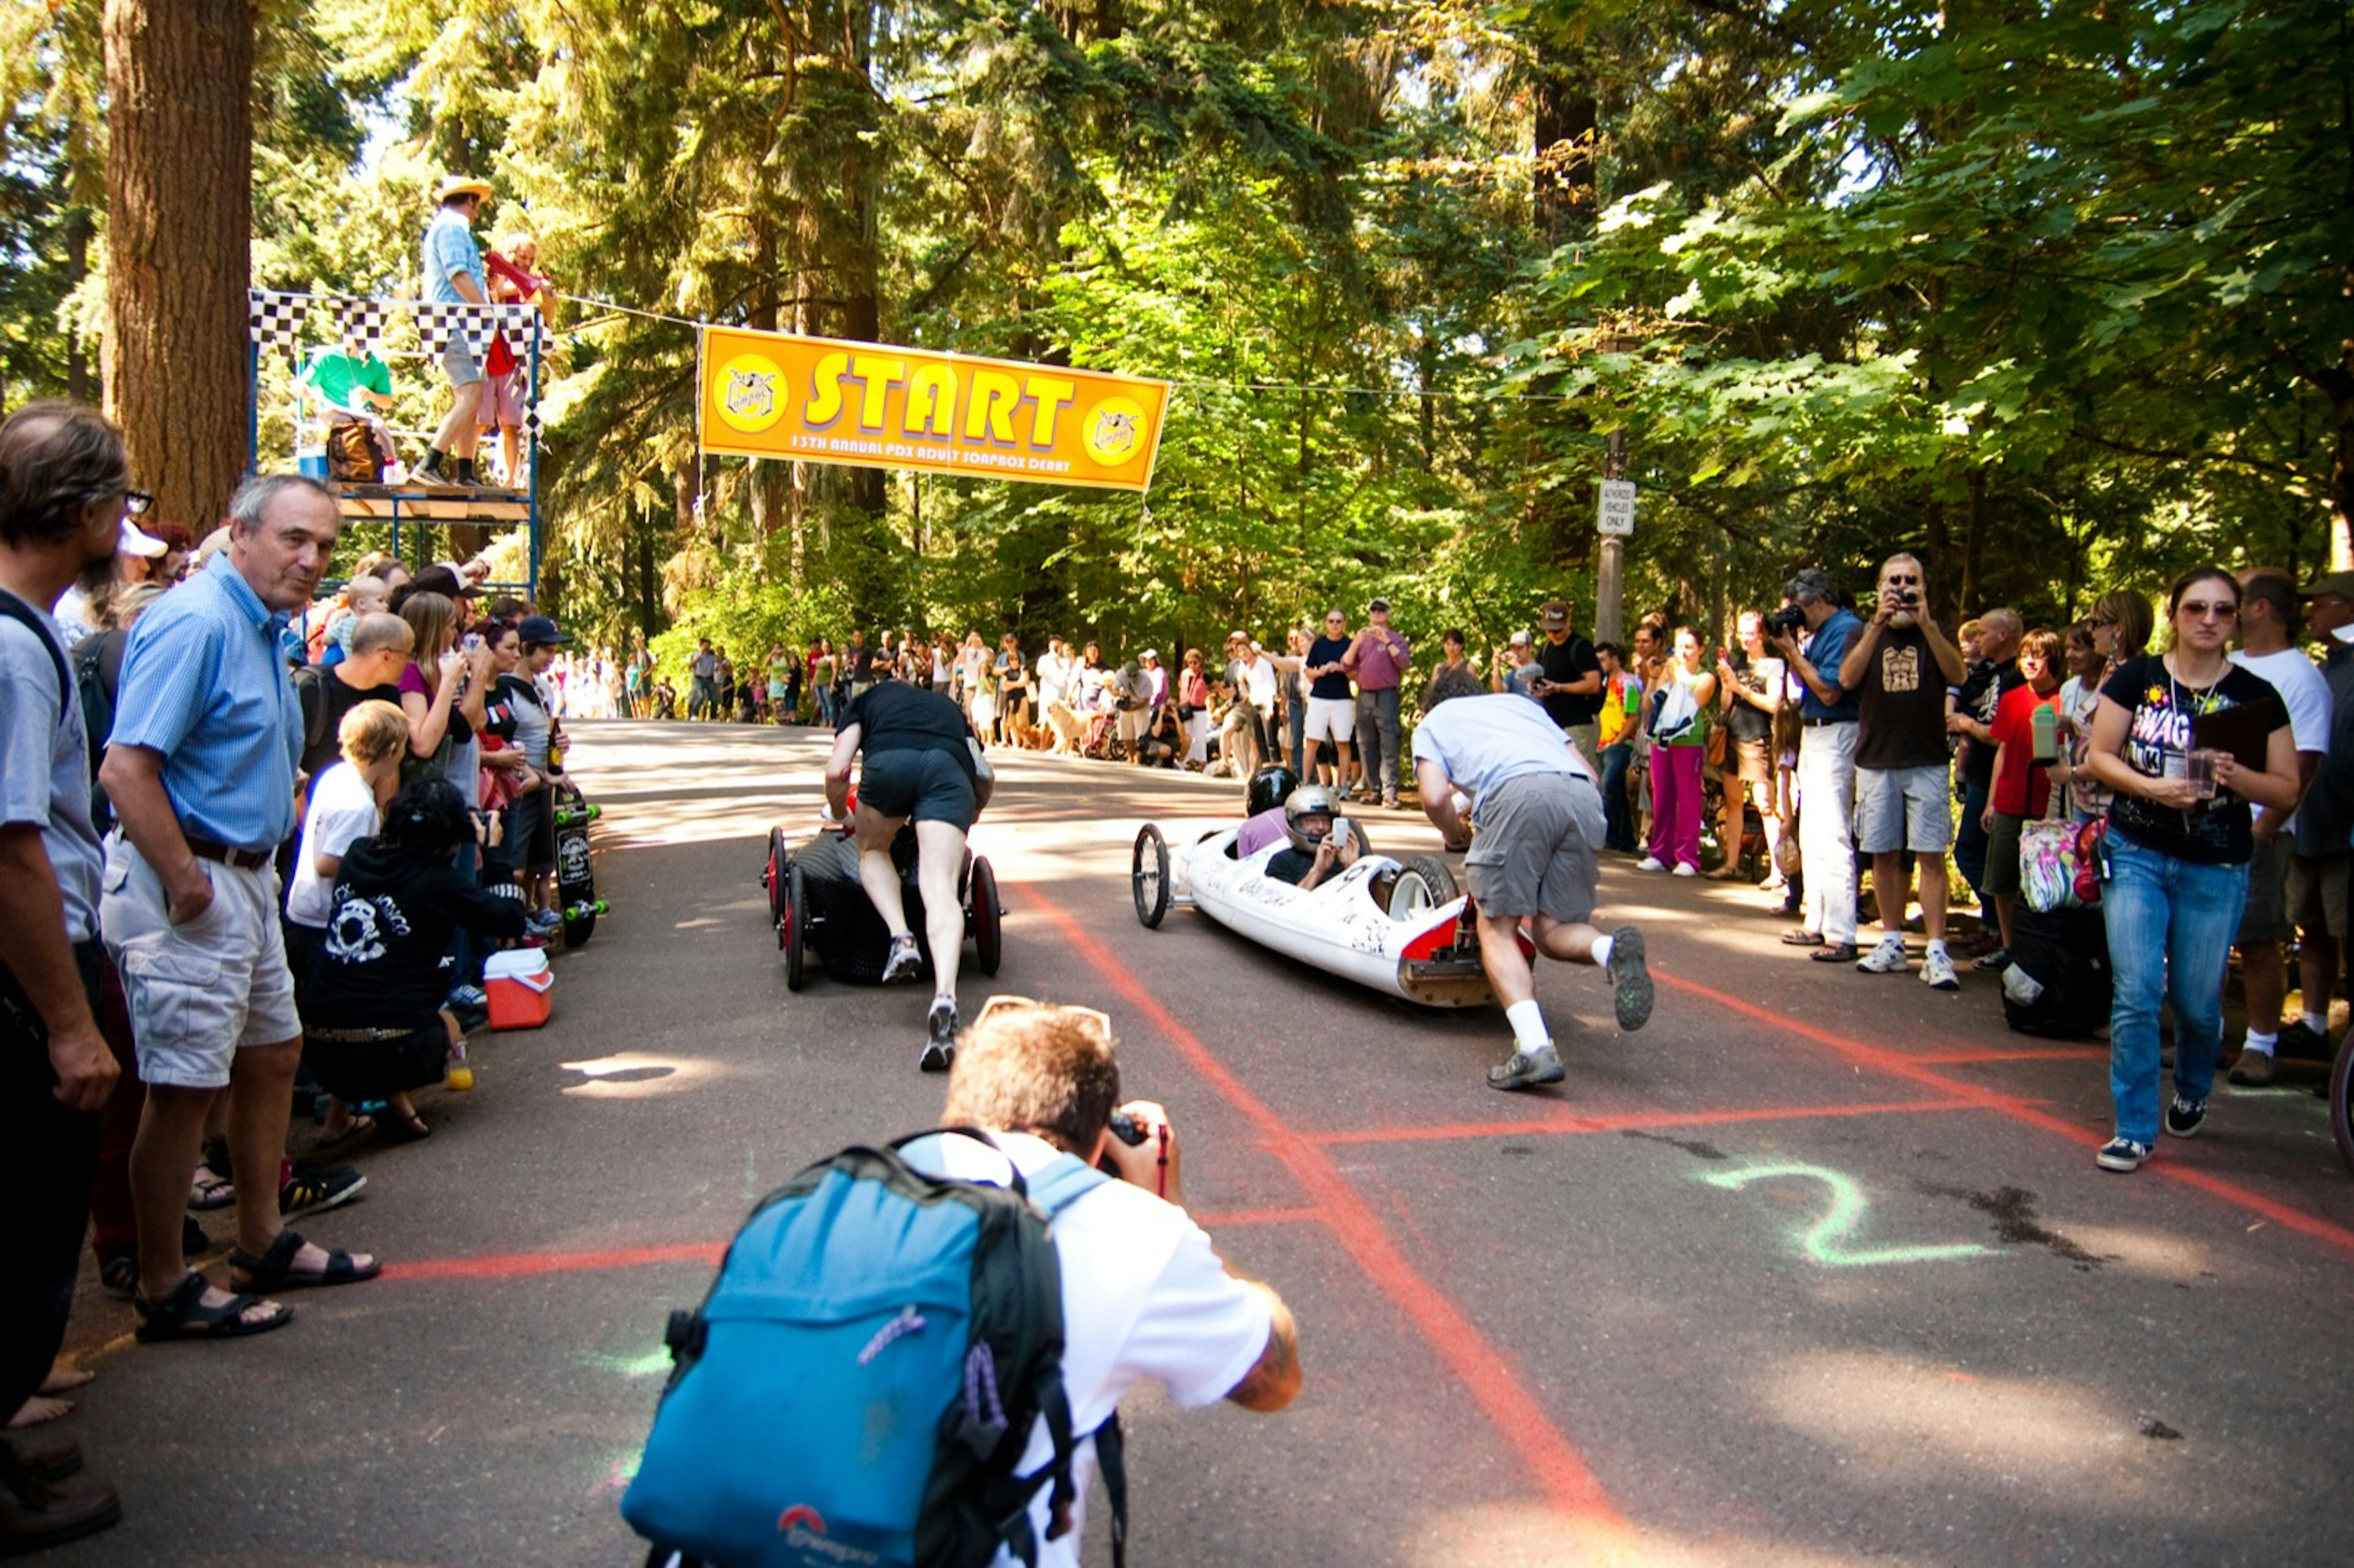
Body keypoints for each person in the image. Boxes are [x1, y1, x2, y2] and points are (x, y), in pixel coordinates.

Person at [97, 474, 380, 1340]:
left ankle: (260, 1238)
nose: (310, 559)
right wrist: (187, 881)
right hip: (192, 883)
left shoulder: (257, 623)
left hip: (245, 879)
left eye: (324, 546)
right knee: (184, 1086)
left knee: (272, 1054)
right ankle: (163, 1281)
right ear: (242, 533)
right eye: (295, 539)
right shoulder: (196, 621)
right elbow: (125, 767)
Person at [895, 997, 1300, 1567]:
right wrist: (1167, 1204)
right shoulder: (1133, 1233)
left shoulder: (844, 1195)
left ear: (956, 1112)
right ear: (1097, 1138)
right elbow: (1272, 1378)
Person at [0, 402, 128, 1550]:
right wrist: (65, 1019)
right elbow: (10, 843)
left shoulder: (25, 633)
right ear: (84, 509)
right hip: (30, 975)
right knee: (23, 1231)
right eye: (119, 500)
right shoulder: (10, 646)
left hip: (46, 955)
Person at [2081, 567, 2299, 1171]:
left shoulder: (2255, 695)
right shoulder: (2138, 677)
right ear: (2174, 614)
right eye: (2196, 607)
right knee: (2137, 990)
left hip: (2216, 862)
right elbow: (2100, 755)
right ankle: (2133, 1127)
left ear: (2237, 619)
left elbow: (2285, 788)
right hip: (2137, 850)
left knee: (2199, 1003)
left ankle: (2194, 1086)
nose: (2208, 619)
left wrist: (2232, 775)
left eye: (2223, 610)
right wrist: (2153, 788)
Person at [1412, 690, 1653, 1089]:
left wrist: (1454, 835)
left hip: (1517, 797)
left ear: (1431, 703)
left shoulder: (1433, 723)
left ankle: (1534, 1047)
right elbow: (1592, 775)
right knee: (1552, 930)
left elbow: (1435, 796)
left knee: (1497, 927)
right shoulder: (1522, 707)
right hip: (1581, 797)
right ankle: (1612, 951)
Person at [306, 779, 530, 1138]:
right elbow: (510, 917)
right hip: (393, 1048)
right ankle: (397, 1099)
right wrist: (494, 854)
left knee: (363, 990)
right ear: (451, 837)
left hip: (318, 1047)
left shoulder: (357, 857)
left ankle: (340, 1117)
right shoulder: (438, 882)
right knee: (446, 1021)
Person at [825, 677, 993, 1069]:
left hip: (890, 768)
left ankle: (901, 938)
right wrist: (971, 811)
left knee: (872, 851)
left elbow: (837, 772)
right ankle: (945, 997)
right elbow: (984, 775)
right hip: (948, 773)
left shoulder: (865, 701)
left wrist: (837, 813)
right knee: (941, 888)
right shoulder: (948, 708)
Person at [2222, 568, 2333, 1084]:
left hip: (2257, 830)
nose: (2223, 611)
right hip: (2207, 823)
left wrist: (2265, 827)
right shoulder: (2227, 665)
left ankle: (2261, 1046)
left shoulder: (2299, 676)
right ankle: (2209, 1036)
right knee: (2204, 937)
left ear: (2261, 608)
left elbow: (2306, 763)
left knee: (2259, 939)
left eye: (2233, 601)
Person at [1839, 554, 1968, 988]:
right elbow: (1846, 679)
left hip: (1927, 759)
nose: (1902, 588)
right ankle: (1891, 940)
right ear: (1879, 586)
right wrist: (1878, 624)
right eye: (1893, 581)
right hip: (1877, 758)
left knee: (1931, 854)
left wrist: (1927, 623)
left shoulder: (1939, 632)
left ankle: (1935, 949)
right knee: (1884, 852)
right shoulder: (1863, 632)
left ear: (1924, 587)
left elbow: (1959, 674)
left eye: (1911, 581)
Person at [283, 701, 409, 1142]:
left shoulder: (335, 777)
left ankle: (341, 1110)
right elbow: (328, 862)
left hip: (305, 912)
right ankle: (338, 1101)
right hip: (323, 920)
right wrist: (381, 863)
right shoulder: (357, 803)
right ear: (391, 747)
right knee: (345, 1016)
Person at [2278, 571, 2354, 1072]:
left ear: (2347, 607)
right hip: (2310, 823)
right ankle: (2313, 1026)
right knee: (2313, 929)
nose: (2309, 613)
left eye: (2319, 604)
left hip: (2346, 829)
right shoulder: (2326, 668)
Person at [1769, 570, 1865, 961]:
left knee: (1833, 834)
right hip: (1816, 732)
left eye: (1798, 608)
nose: (1795, 616)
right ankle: (1817, 919)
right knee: (1812, 834)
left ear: (1819, 601)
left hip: (1837, 729)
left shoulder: (1845, 629)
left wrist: (1793, 653)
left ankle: (1843, 933)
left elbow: (1828, 690)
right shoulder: (1823, 633)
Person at [1976, 629, 2065, 967]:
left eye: (2039, 655)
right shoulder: (2012, 699)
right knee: (2002, 879)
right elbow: (2002, 750)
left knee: (2045, 882)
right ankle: (2011, 947)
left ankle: (2040, 951)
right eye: (2026, 654)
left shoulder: (2064, 699)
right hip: (2010, 799)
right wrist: (1991, 802)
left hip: (2048, 805)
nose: (2030, 661)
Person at [1944, 608, 2024, 935]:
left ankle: (1999, 926)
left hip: (1998, 775)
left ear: (2003, 635)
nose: (1977, 640)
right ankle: (1994, 927)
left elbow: (2000, 733)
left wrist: (1967, 725)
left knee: (1970, 851)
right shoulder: (1988, 673)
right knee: (1974, 852)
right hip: (1978, 771)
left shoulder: (2016, 676)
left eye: (1984, 633)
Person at [414, 177, 496, 487]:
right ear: (471, 201)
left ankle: (465, 472)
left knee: (469, 396)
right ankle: (429, 462)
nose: (478, 213)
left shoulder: (452, 229)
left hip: (463, 323)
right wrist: (485, 309)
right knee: (472, 394)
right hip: (455, 322)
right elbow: (457, 274)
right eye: (478, 205)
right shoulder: (450, 229)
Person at [295, 612, 413, 779]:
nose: (410, 663)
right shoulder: (310, 687)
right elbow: (289, 762)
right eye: (409, 654)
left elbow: (389, 769)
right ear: (386, 656)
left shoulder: (388, 694)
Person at [1637, 628, 1716, 877]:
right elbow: (1648, 705)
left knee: (1688, 798)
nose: (1683, 652)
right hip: (1662, 742)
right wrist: (1653, 677)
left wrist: (1674, 677)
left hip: (1688, 742)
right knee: (1662, 796)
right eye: (1679, 646)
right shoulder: (1668, 673)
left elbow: (1690, 706)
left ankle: (1688, 857)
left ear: (1701, 650)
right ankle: (1660, 852)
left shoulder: (1705, 678)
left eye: (1689, 647)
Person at [1713, 611, 1785, 881]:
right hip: (1732, 735)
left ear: (1762, 635)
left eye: (1750, 634)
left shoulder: (1774, 666)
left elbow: (1773, 704)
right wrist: (1727, 685)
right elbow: (1725, 705)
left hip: (1757, 738)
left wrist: (1741, 689)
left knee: (1765, 804)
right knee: (1733, 802)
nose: (1745, 639)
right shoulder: (1737, 665)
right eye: (1741, 634)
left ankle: (1778, 871)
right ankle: (1732, 864)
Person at [1346, 597, 1411, 809]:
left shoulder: (1396, 638)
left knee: (1389, 741)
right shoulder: (1362, 639)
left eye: (1381, 611)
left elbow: (1404, 662)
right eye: (1374, 611)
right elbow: (1346, 664)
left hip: (1386, 695)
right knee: (1366, 743)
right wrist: (1356, 642)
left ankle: (1390, 792)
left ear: (1388, 614)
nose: (1377, 614)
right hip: (1364, 694)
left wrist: (1387, 642)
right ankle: (1374, 789)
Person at [1532, 598, 1604, 759]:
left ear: (1568, 622)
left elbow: (1593, 684)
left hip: (1577, 722)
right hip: (1552, 721)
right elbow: (1539, 676)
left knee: (1581, 768)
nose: (1553, 635)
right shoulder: (1545, 648)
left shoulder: (1581, 647)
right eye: (1549, 630)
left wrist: (1559, 687)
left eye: (1557, 630)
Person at [1593, 641, 1643, 853]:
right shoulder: (1603, 684)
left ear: (1615, 659)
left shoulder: (1627, 683)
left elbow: (1633, 717)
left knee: (1610, 783)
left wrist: (1619, 740)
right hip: (1603, 743)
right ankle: (1621, 837)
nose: (1600, 663)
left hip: (1621, 743)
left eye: (1603, 659)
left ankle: (1617, 835)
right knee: (1612, 789)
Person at [1264, 784, 1362, 889]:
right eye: (1312, 821)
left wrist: (1354, 867)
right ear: (1295, 823)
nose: (1320, 827)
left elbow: (1373, 902)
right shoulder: (1282, 861)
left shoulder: (1347, 856)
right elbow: (1286, 904)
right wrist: (1318, 871)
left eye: (1325, 820)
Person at [1301, 609, 1357, 791]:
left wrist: (1341, 668)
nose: (1335, 625)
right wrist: (1320, 672)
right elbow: (1308, 670)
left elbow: (1356, 674)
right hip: (1319, 697)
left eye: (1339, 621)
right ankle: (1305, 781)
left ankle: (1343, 785)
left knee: (1343, 742)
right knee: (1313, 741)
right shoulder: (1319, 644)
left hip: (1343, 699)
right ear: (1326, 623)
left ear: (1345, 624)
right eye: (1331, 621)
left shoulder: (1350, 645)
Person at [687, 638, 719, 721]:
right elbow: (690, 666)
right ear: (701, 646)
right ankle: (695, 713)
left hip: (709, 678)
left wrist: (716, 655)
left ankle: (713, 716)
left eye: (708, 646)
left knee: (714, 698)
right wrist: (700, 657)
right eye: (705, 646)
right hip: (699, 678)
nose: (706, 648)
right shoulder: (696, 654)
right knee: (700, 696)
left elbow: (719, 662)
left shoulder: (712, 657)